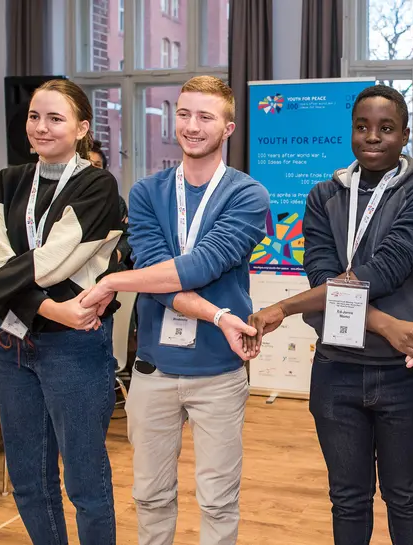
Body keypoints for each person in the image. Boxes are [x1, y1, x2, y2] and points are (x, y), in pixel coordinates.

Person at [243, 85, 413, 544]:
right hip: (336, 371)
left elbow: (382, 272)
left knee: (404, 496)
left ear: (405, 135)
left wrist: (284, 306)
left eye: (386, 128)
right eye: (362, 127)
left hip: (404, 373)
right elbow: (320, 275)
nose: (373, 137)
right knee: (348, 498)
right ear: (351, 132)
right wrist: (382, 324)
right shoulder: (323, 197)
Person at [82, 75, 269, 545]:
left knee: (218, 500)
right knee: (149, 496)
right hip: (153, 372)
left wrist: (115, 280)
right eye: (183, 113)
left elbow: (198, 267)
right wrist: (221, 317)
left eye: (206, 116)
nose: (191, 125)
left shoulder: (248, 196)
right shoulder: (146, 192)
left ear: (228, 127)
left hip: (218, 374)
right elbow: (162, 280)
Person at [0, 79, 122, 544]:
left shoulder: (96, 185)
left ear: (82, 127)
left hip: (72, 349)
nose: (41, 127)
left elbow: (54, 261)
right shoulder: (7, 181)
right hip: (10, 343)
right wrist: (49, 308)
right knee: (28, 479)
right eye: (34, 117)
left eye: (55, 118)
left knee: (84, 481)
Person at [89, 140, 133, 270]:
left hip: (106, 269)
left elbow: (127, 236)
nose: (91, 169)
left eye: (97, 165)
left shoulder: (116, 201)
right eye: (87, 163)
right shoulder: (68, 198)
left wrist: (117, 255)